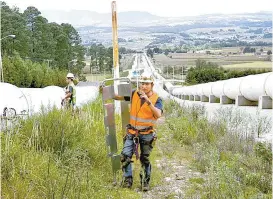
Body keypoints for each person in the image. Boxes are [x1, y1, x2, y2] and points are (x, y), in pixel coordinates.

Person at [114, 72, 163, 191]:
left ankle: (145, 183)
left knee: (144, 159)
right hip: (132, 132)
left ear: (152, 84)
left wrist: (148, 102)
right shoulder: (134, 93)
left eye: (147, 84)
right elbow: (121, 97)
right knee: (125, 156)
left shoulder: (157, 99)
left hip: (147, 134)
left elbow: (158, 114)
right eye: (142, 83)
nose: (144, 86)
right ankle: (127, 181)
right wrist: (106, 92)